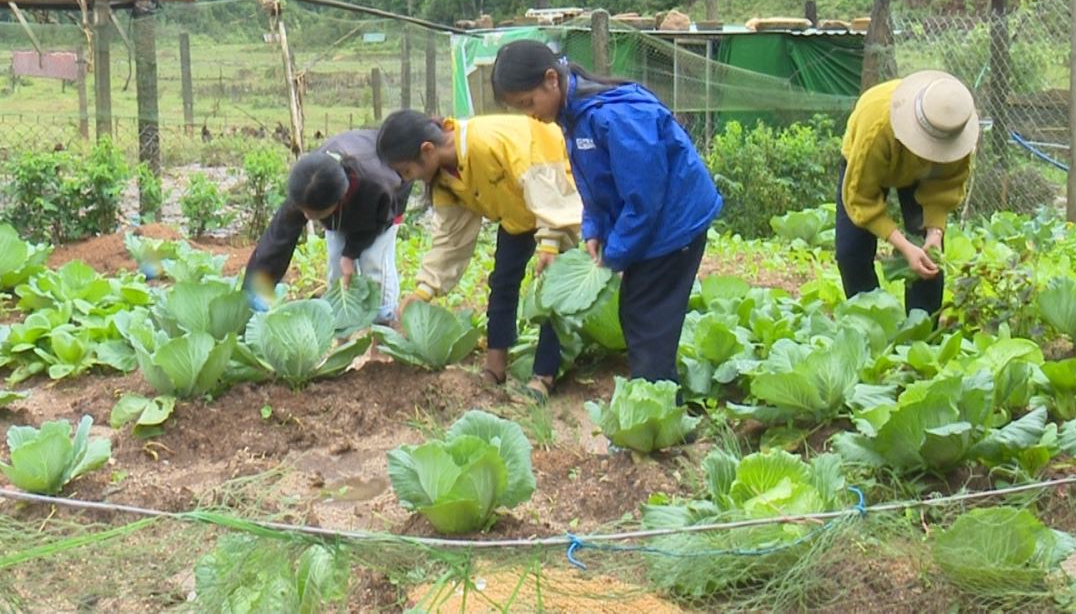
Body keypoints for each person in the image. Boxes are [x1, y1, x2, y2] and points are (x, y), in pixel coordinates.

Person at [490, 40, 721, 395]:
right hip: (653, 223)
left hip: (675, 226)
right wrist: (594, 229)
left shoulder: (612, 116)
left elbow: (644, 198)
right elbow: (593, 183)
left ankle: (655, 417)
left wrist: (616, 255)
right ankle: (656, 408)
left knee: (648, 320)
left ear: (551, 79)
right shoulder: (575, 113)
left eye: (528, 103)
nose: (530, 115)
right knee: (638, 316)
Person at [376, 110, 582, 395]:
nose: (408, 179)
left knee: (552, 290)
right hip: (516, 215)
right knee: (502, 283)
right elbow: (452, 238)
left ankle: (544, 377)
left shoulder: (485, 142)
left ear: (427, 149)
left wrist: (550, 242)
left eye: (408, 171)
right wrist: (424, 290)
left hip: (558, 204)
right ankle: (495, 367)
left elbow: (544, 182)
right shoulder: (445, 177)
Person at [836, 70, 977, 317]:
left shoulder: (954, 125)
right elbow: (861, 198)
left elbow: (945, 185)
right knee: (851, 252)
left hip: (922, 175)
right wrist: (902, 245)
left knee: (930, 256)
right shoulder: (876, 129)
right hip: (870, 160)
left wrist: (934, 233)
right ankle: (870, 321)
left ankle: (922, 329)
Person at [242, 130, 412, 323]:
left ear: (338, 201)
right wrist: (255, 291)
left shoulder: (377, 185)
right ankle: (342, 331)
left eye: (314, 214)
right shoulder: (309, 185)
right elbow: (277, 241)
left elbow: (376, 221)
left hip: (388, 198)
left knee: (375, 265)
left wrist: (351, 253)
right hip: (349, 192)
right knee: (336, 265)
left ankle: (384, 325)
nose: (306, 217)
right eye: (304, 211)